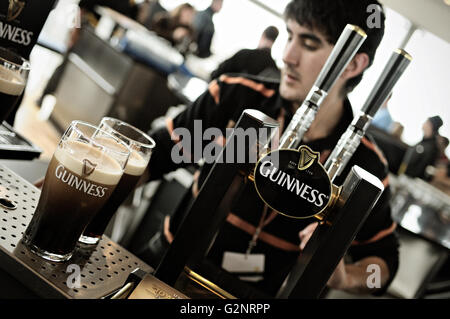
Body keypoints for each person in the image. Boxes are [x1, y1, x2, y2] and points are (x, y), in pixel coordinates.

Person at [146, 0, 398, 297]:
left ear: (354, 63)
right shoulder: (236, 96)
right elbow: (155, 157)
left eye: (309, 43)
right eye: (289, 36)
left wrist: (346, 277)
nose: (287, 56)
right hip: (166, 266)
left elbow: (382, 270)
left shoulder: (366, 164)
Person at [210, 26, 280, 81]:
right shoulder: (273, 68)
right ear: (274, 41)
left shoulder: (244, 54)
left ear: (263, 35)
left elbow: (217, 73)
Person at [404, 116, 443, 180]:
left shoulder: (432, 147)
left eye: (426, 122)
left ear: (430, 125)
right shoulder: (423, 142)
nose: (423, 124)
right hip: (405, 176)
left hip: (413, 181)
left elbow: (425, 169)